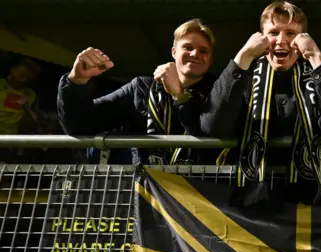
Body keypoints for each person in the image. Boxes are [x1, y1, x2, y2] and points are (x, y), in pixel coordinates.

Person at [208, 1, 321, 205]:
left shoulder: (317, 78)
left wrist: (316, 58)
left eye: (291, 33)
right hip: (248, 201)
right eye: (273, 32)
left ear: (303, 39)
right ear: (261, 38)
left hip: (303, 202)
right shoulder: (244, 75)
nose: (281, 41)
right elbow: (214, 125)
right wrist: (243, 56)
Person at [57, 18, 230, 165]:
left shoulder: (222, 93)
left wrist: (179, 95)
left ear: (211, 60)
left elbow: (210, 136)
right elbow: (79, 124)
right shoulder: (143, 88)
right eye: (188, 47)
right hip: (145, 195)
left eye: (203, 50)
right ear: (174, 52)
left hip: (201, 195)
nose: (195, 54)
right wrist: (77, 81)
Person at [0, 58, 41, 163]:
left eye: (28, 79)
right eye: (21, 75)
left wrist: (26, 108)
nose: (23, 80)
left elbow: (30, 124)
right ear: (13, 70)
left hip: (7, 144)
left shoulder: (30, 95)